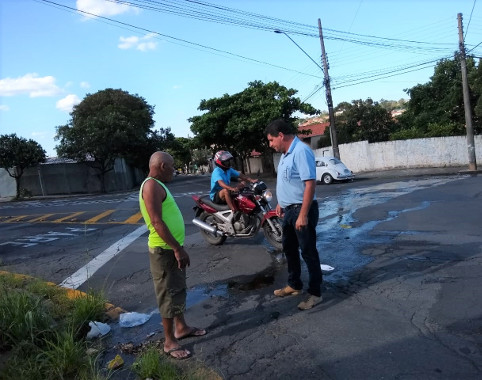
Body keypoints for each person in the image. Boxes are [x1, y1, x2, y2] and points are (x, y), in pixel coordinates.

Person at [139, 151, 206, 360]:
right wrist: (177, 248)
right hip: (164, 250)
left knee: (176, 290)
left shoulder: (158, 184)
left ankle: (181, 328)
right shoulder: (150, 186)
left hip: (169, 249)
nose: (175, 170)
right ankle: (169, 341)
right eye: (172, 166)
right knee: (168, 294)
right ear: (161, 166)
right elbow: (157, 222)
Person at [265, 119, 323, 310]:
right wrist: (282, 202)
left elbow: (309, 184)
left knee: (308, 251)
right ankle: (294, 284)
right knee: (289, 249)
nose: (271, 145)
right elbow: (290, 181)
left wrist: (303, 214)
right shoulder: (285, 154)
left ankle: (315, 293)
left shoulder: (301, 151)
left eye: (272, 140)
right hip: (289, 210)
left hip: (301, 210)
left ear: (281, 136)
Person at [210, 150, 257, 215]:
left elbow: (240, 175)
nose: (228, 163)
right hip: (216, 195)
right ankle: (233, 210)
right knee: (225, 190)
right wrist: (231, 189)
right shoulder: (217, 171)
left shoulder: (229, 169)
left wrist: (251, 180)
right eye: (226, 161)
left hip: (227, 192)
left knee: (243, 185)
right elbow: (221, 183)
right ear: (220, 162)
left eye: (229, 161)